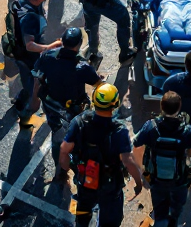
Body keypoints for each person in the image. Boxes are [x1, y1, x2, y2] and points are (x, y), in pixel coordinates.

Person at [59, 83, 143, 227]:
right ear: (115, 104)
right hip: (109, 186)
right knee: (110, 221)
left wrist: (66, 170)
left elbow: (64, 150)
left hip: (86, 181)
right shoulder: (119, 131)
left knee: (83, 212)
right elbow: (128, 162)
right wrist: (138, 182)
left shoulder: (80, 122)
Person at [29, 27, 104, 168]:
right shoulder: (83, 67)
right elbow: (99, 84)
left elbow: (37, 79)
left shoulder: (47, 56)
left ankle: (60, 168)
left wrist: (34, 100)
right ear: (80, 44)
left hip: (51, 107)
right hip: (73, 111)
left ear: (62, 41)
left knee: (57, 135)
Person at [133, 91, 191, 227]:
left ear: (161, 106)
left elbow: (136, 148)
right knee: (175, 213)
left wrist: (142, 171)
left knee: (160, 211)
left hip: (156, 180)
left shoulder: (151, 127)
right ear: (179, 108)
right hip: (179, 182)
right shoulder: (188, 131)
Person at [7, 0, 61, 122]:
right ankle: (26, 106)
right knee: (32, 81)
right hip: (27, 56)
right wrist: (50, 46)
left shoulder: (22, 1)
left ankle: (23, 96)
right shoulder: (29, 18)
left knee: (27, 77)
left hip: (20, 49)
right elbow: (30, 45)